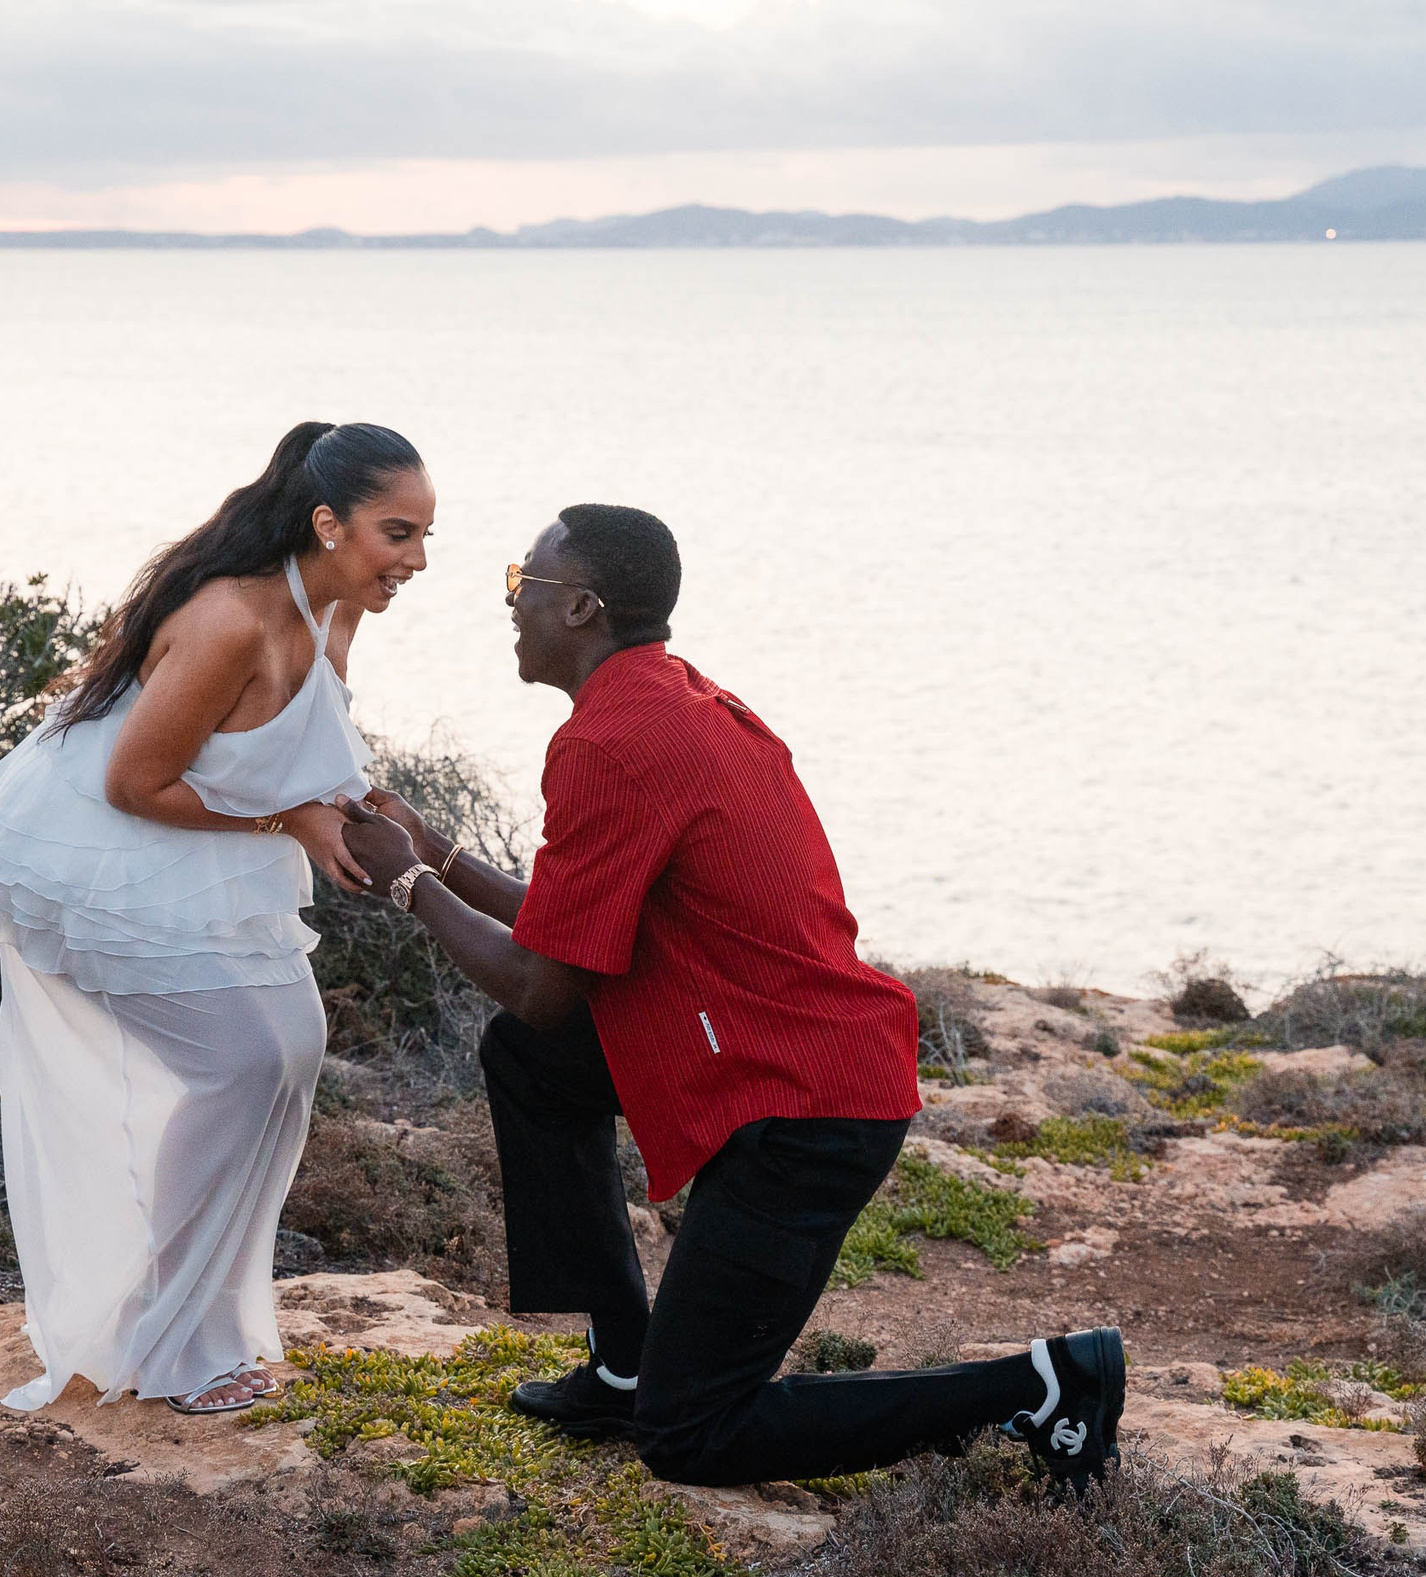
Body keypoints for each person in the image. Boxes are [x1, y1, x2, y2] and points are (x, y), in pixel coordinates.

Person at [340, 503, 1124, 1487]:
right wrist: (441, 853)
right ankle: (624, 1362)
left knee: (692, 1435)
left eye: (521, 585)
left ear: (580, 607)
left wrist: (407, 883)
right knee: (533, 1064)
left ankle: (1037, 1388)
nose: (509, 604)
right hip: (777, 1063)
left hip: (805, 1114)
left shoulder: (613, 741)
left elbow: (541, 987)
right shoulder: (664, 702)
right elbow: (570, 929)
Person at [0, 421, 431, 1416]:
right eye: (398, 534)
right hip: (103, 852)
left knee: (293, 1051)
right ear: (329, 523)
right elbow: (134, 783)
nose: (417, 560)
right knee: (240, 1065)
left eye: (426, 536)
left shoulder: (338, 605)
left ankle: (196, 1315)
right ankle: (168, 1342)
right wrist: (289, 819)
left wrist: (351, 813)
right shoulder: (228, 622)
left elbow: (307, 735)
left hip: (209, 844)